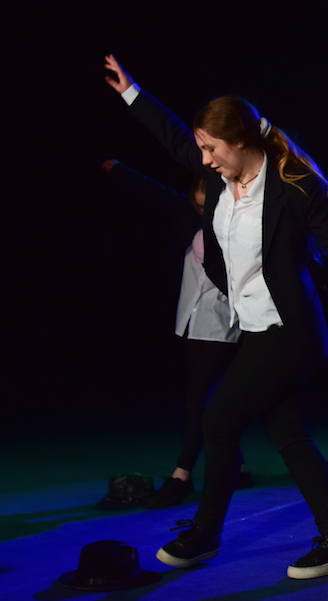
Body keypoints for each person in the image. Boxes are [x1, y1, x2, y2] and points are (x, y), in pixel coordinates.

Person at [104, 55, 328, 579]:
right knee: (288, 433)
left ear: (242, 141)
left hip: (291, 331)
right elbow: (174, 135)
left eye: (212, 149)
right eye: (202, 149)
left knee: (218, 416)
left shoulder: (294, 187)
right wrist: (132, 92)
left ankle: (205, 535)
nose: (204, 159)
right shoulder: (218, 171)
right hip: (255, 328)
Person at [101, 160, 251, 508]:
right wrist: (120, 170)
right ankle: (238, 466)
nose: (201, 212)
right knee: (207, 399)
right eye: (196, 205)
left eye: (206, 206)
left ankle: (182, 475)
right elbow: (156, 193)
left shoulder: (234, 227)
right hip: (192, 323)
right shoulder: (189, 218)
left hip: (220, 327)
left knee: (198, 401)